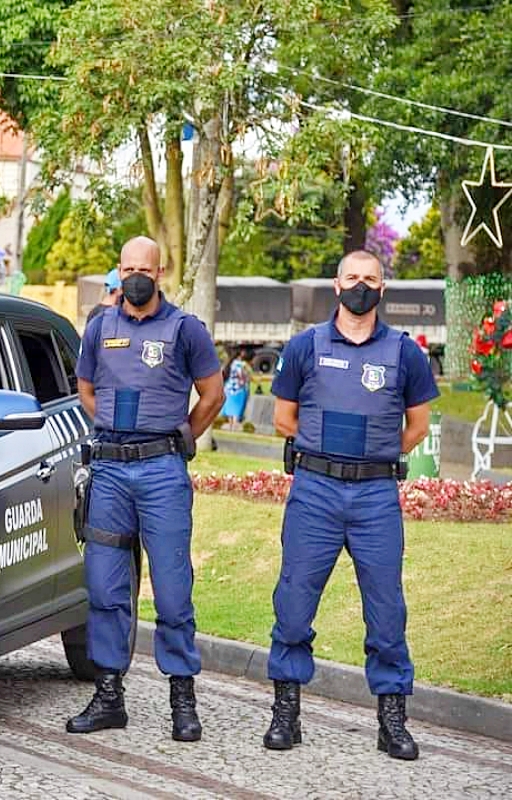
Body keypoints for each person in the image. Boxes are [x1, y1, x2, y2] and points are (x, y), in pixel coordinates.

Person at [264, 250, 437, 760]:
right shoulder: (305, 347)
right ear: (336, 286)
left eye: (371, 279)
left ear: (382, 289)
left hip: (376, 496)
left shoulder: (405, 354)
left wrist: (374, 456)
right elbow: (282, 419)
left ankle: (392, 720)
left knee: (386, 611)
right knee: (294, 605)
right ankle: (286, 712)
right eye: (352, 278)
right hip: (314, 492)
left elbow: (418, 427)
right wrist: (325, 452)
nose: (361, 286)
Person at [68, 236, 225, 741]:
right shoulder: (99, 327)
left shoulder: (185, 330)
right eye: (127, 267)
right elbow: (86, 390)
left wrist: (181, 436)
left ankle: (182, 696)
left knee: (173, 588)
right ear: (119, 271)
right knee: (106, 586)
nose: (135, 275)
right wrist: (115, 428)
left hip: (162, 473)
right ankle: (109, 694)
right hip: (111, 471)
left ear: (161, 273)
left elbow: (213, 393)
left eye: (145, 268)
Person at [220, 349, 252, 430]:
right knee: (237, 408)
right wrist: (245, 380)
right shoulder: (240, 364)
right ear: (240, 354)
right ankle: (235, 425)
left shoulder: (228, 364)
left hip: (228, 388)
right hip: (238, 389)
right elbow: (242, 375)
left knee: (230, 408)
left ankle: (231, 425)